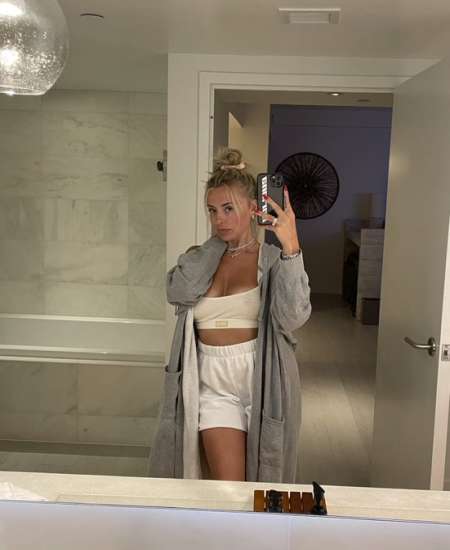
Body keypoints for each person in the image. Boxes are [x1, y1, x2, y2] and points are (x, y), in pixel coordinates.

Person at [148, 148, 311, 483]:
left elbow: (293, 317)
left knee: (264, 484)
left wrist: (291, 247)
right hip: (212, 380)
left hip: (263, 377)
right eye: (212, 211)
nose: (218, 219)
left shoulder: (273, 260)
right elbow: (178, 291)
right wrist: (216, 246)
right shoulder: (200, 258)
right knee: (229, 487)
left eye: (228, 209)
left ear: (253, 209)